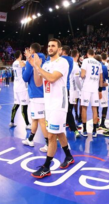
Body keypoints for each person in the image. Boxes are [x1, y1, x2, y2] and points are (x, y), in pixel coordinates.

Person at [29, 38, 74, 178]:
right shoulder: (46, 64)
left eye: (53, 46)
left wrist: (38, 67)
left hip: (58, 103)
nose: (50, 48)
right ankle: (69, 156)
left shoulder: (62, 62)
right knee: (59, 132)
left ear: (59, 50)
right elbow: (37, 83)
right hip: (48, 103)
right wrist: (35, 67)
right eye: (48, 46)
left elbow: (52, 78)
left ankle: (46, 167)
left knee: (51, 135)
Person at [22, 43, 48, 152]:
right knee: (35, 118)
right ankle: (30, 138)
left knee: (41, 120)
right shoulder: (45, 59)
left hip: (36, 94)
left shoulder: (31, 59)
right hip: (44, 92)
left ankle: (48, 143)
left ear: (32, 51)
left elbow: (25, 77)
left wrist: (25, 65)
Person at [80, 49, 103, 137]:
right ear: (94, 54)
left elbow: (82, 75)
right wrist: (100, 90)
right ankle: (94, 130)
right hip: (95, 88)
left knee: (84, 108)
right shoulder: (98, 63)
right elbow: (101, 79)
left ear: (87, 54)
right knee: (95, 109)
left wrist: (83, 76)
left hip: (86, 87)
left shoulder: (85, 61)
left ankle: (85, 130)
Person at [9, 50, 31, 129]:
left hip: (16, 87)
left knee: (16, 104)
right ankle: (27, 124)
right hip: (22, 87)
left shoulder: (14, 63)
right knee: (24, 106)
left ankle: (11, 121)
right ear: (20, 55)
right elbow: (29, 63)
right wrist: (28, 56)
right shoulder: (21, 63)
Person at [61, 45, 80, 137]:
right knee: (68, 109)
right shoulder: (71, 60)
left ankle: (61, 129)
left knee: (64, 110)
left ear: (63, 50)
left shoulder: (62, 59)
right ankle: (74, 128)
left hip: (61, 88)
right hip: (68, 88)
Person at [70, 49, 82, 138]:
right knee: (69, 108)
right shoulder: (75, 66)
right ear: (77, 55)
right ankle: (73, 126)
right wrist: (81, 88)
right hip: (73, 89)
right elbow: (77, 80)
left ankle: (71, 124)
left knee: (69, 108)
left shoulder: (67, 64)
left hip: (67, 89)